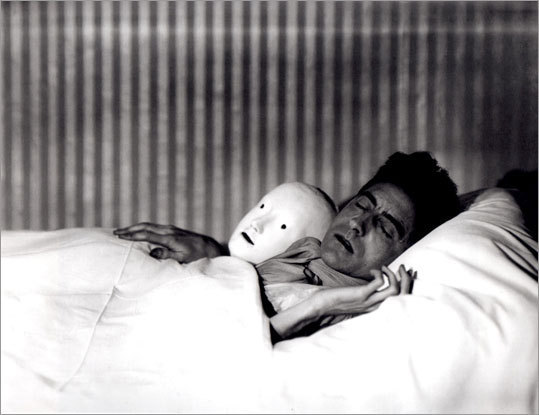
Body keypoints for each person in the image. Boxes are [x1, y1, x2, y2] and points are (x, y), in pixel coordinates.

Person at [115, 151, 460, 340]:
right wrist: (214, 257)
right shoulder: (308, 248)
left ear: (408, 251)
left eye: (385, 226)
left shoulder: (360, 308)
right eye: (361, 204)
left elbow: (230, 349)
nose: (358, 223)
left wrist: (320, 304)